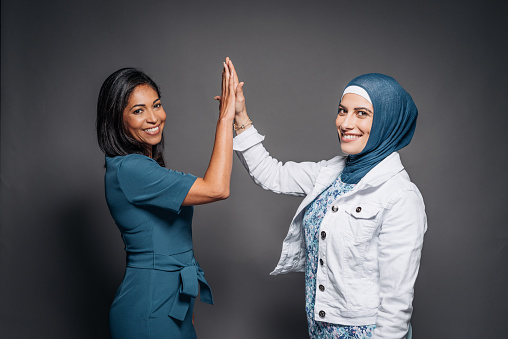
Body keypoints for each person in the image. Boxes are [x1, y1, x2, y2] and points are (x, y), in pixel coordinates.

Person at [230, 65, 426, 338]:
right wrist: (240, 116)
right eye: (342, 110)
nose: (345, 123)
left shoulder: (400, 196)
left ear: (387, 121)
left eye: (362, 113)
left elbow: (397, 300)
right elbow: (271, 174)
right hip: (319, 329)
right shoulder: (330, 173)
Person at [96, 58, 239, 338]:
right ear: (117, 118)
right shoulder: (131, 169)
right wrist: (225, 117)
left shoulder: (142, 166)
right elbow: (216, 188)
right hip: (148, 309)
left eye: (157, 105)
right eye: (139, 111)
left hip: (172, 305)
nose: (153, 118)